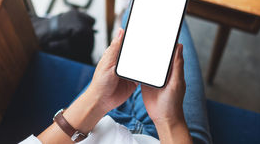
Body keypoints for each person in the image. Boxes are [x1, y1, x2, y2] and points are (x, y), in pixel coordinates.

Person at [21, 21, 212, 144]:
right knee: (166, 25)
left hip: (88, 126)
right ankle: (126, 7)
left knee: (137, 25)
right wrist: (170, 120)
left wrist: (97, 100)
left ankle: (126, 8)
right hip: (167, 136)